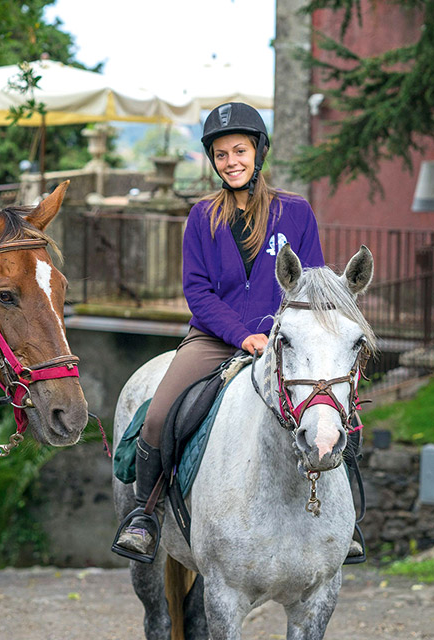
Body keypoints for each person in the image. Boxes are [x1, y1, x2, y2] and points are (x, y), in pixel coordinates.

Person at [111, 102, 329, 563]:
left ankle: (342, 521)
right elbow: (198, 291)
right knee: (158, 416)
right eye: (221, 154)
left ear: (259, 152)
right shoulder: (202, 216)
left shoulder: (296, 212)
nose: (231, 162)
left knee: (331, 406)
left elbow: (311, 282)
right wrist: (241, 336)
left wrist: (283, 333)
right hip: (212, 338)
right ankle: (145, 516)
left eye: (240, 151)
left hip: (284, 339)